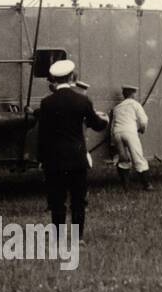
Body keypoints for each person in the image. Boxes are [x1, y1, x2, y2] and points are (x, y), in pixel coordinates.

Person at [36, 59, 109, 240]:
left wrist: (41, 159)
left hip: (54, 159)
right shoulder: (82, 100)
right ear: (71, 77)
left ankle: (58, 237)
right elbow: (96, 124)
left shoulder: (46, 103)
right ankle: (78, 238)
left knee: (57, 201)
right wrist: (105, 120)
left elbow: (43, 134)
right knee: (78, 201)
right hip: (77, 158)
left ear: (54, 79)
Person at [109, 84, 151, 191]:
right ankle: (147, 185)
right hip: (130, 132)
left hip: (117, 132)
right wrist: (142, 129)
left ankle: (126, 187)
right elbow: (144, 120)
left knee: (123, 159)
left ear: (124, 94)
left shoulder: (117, 107)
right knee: (138, 157)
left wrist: (113, 142)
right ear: (133, 94)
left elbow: (112, 126)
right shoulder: (135, 104)